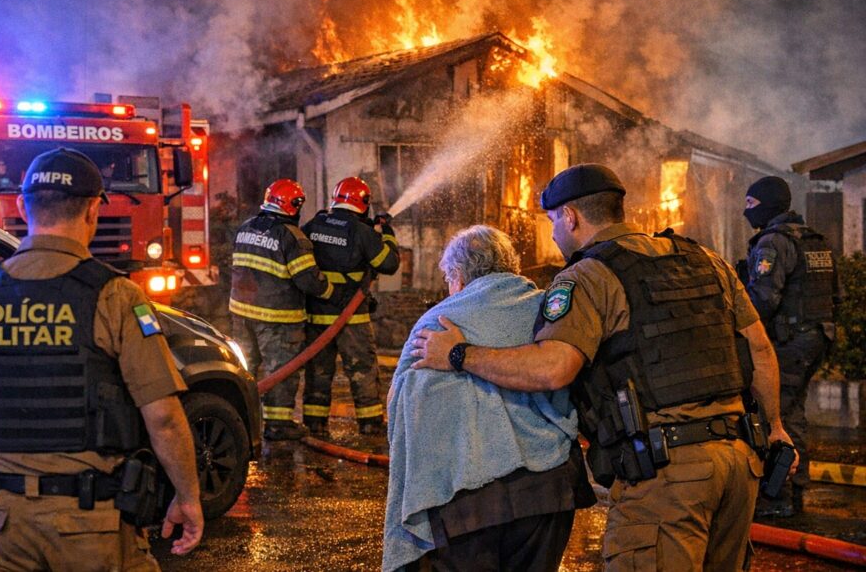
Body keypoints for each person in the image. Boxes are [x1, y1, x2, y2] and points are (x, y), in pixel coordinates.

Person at [411, 163, 797, 571]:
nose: (553, 234)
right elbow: (759, 347)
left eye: (552, 222)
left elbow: (552, 368)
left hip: (668, 476)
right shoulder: (706, 259)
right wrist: (775, 427)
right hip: (740, 465)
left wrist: (459, 354)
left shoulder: (589, 276)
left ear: (570, 216)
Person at [0, 147, 203, 570]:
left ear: (21, 206)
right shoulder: (116, 296)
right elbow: (164, 418)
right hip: (90, 526)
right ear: (93, 211)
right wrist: (188, 498)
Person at [384, 225, 593, 572]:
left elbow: (400, 405)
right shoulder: (547, 310)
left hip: (462, 500)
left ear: (458, 276)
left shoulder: (436, 323)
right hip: (548, 490)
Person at [742, 175, 839, 517]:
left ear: (767, 204)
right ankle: (795, 490)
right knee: (792, 413)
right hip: (816, 338)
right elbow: (835, 295)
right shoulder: (813, 239)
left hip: (788, 342)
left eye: (751, 203)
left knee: (771, 416)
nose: (746, 210)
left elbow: (763, 300)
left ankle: (775, 497)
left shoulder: (773, 242)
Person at [229, 178, 335, 441]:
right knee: (281, 370)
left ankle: (239, 418)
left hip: (242, 313)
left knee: (244, 367)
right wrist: (330, 292)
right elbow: (309, 281)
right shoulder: (292, 237)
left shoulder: (246, 227)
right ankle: (278, 425)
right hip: (278, 318)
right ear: (293, 205)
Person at [301, 176, 400, 436]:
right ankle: (370, 424)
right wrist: (387, 234)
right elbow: (389, 264)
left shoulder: (314, 224)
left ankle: (315, 424)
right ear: (363, 202)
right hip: (352, 318)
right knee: (362, 370)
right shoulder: (362, 233)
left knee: (318, 372)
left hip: (317, 316)